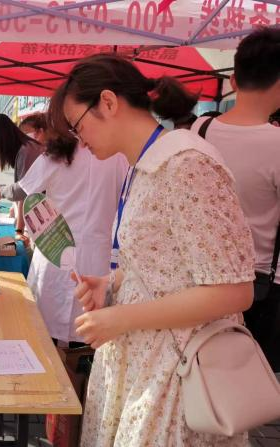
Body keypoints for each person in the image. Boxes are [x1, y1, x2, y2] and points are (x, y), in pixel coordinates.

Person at [47, 53, 255, 446]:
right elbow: (165, 262)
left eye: (78, 125)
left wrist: (121, 317)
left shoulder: (187, 164)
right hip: (145, 367)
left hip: (178, 375)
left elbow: (234, 290)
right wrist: (111, 283)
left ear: (108, 102)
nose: (79, 139)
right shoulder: (145, 165)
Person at [191, 27, 280, 371]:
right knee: (252, 380)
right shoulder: (276, 145)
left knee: (204, 376)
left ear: (233, 80)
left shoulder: (199, 130)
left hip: (199, 278)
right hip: (259, 284)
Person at [14, 135, 128, 346]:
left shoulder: (58, 151)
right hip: (97, 259)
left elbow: (24, 190)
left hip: (55, 249)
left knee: (46, 338)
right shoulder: (119, 155)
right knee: (87, 337)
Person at [0, 114, 44, 235]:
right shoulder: (25, 149)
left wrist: (19, 231)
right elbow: (23, 188)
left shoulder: (27, 150)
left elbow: (24, 190)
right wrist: (19, 228)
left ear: (2, 138)